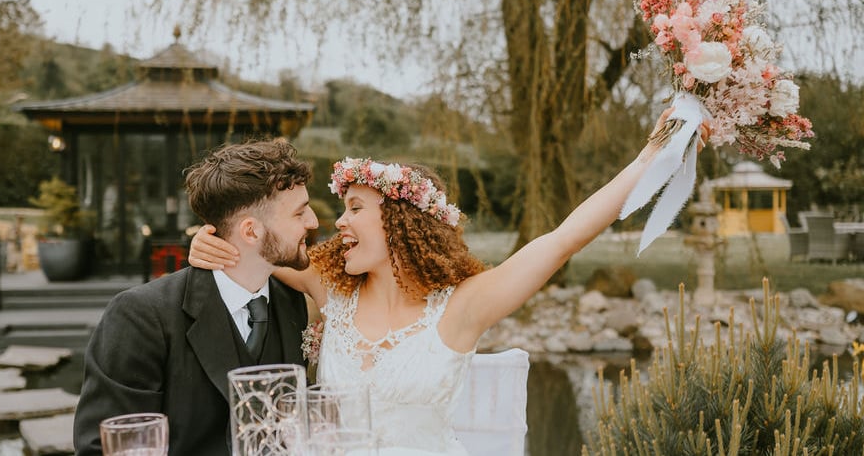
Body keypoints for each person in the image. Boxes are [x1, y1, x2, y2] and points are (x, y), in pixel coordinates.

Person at [190, 110, 706, 454]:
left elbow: (563, 239)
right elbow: (252, 243)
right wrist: (204, 242)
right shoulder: (330, 288)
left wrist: (651, 156)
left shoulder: (462, 307)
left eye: (355, 208)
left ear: (399, 222)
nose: (339, 222)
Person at [73, 139, 319, 456]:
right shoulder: (140, 316)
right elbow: (105, 447)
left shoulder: (294, 301)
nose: (313, 222)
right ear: (251, 232)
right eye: (299, 213)